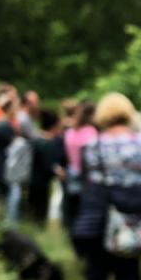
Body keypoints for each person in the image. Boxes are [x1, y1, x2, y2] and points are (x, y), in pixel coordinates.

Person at [72, 93, 141, 280]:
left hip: (98, 220)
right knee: (126, 275)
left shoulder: (93, 148)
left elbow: (85, 182)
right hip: (131, 221)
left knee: (97, 275)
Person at [63, 101, 98, 250]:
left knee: (73, 211)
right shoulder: (91, 132)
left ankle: (75, 242)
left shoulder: (70, 132)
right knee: (86, 212)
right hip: (86, 177)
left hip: (72, 173)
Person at [28, 109, 67, 225]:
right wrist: (59, 173)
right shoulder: (48, 143)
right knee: (40, 214)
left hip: (32, 181)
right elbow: (49, 165)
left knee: (32, 211)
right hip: (42, 183)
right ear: (54, 125)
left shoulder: (35, 139)